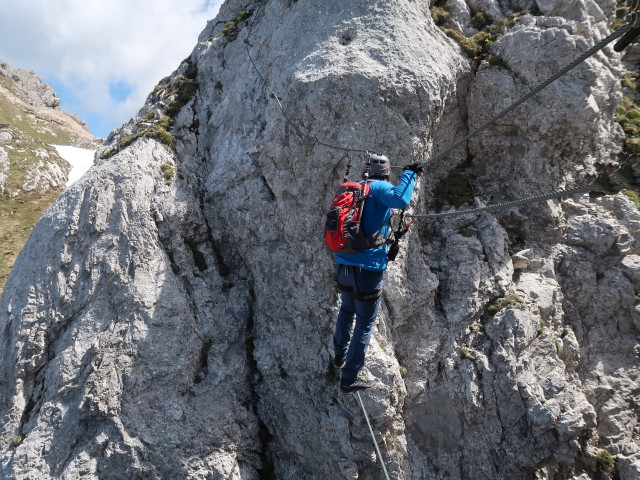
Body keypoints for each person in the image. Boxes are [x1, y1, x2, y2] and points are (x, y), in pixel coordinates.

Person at [333, 154, 422, 393]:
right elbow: (401, 200)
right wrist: (410, 174)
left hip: (343, 263)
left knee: (347, 309)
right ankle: (349, 376)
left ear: (366, 171)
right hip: (368, 269)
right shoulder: (381, 187)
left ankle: (338, 356)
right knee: (364, 322)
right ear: (387, 172)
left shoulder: (353, 188)